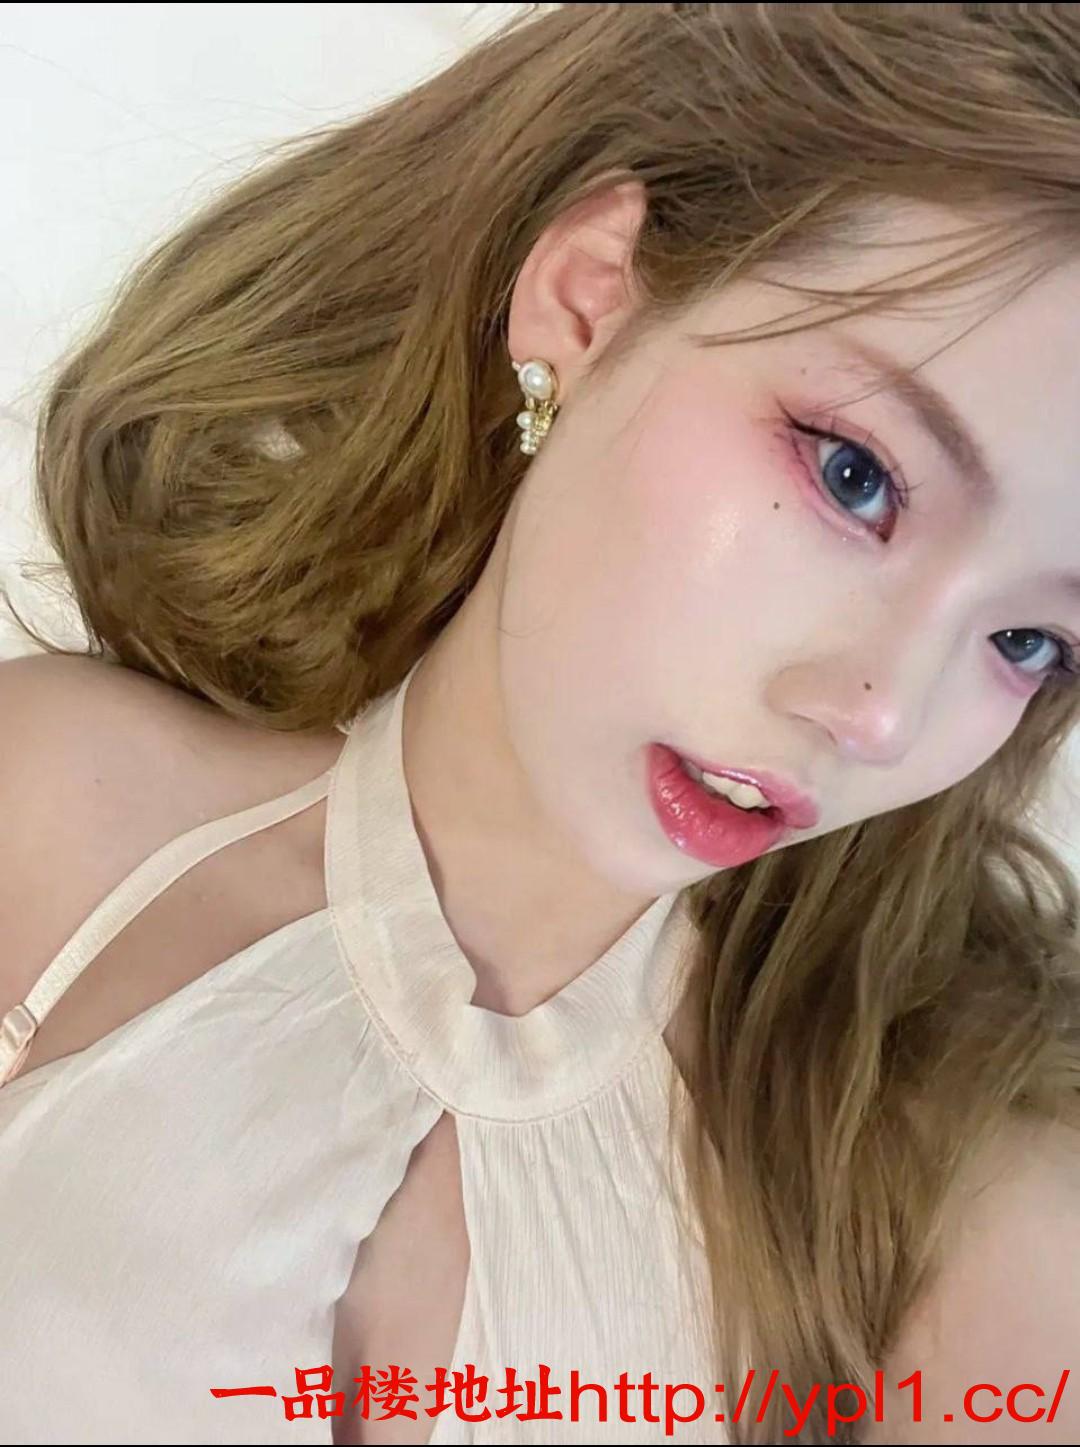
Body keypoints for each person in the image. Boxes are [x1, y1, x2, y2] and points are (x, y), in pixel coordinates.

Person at [1, 3, 1078, 1443]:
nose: (880, 713)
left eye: (1027, 640)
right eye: (855, 478)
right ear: (587, 301)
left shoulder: (952, 1230)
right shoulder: (49, 817)